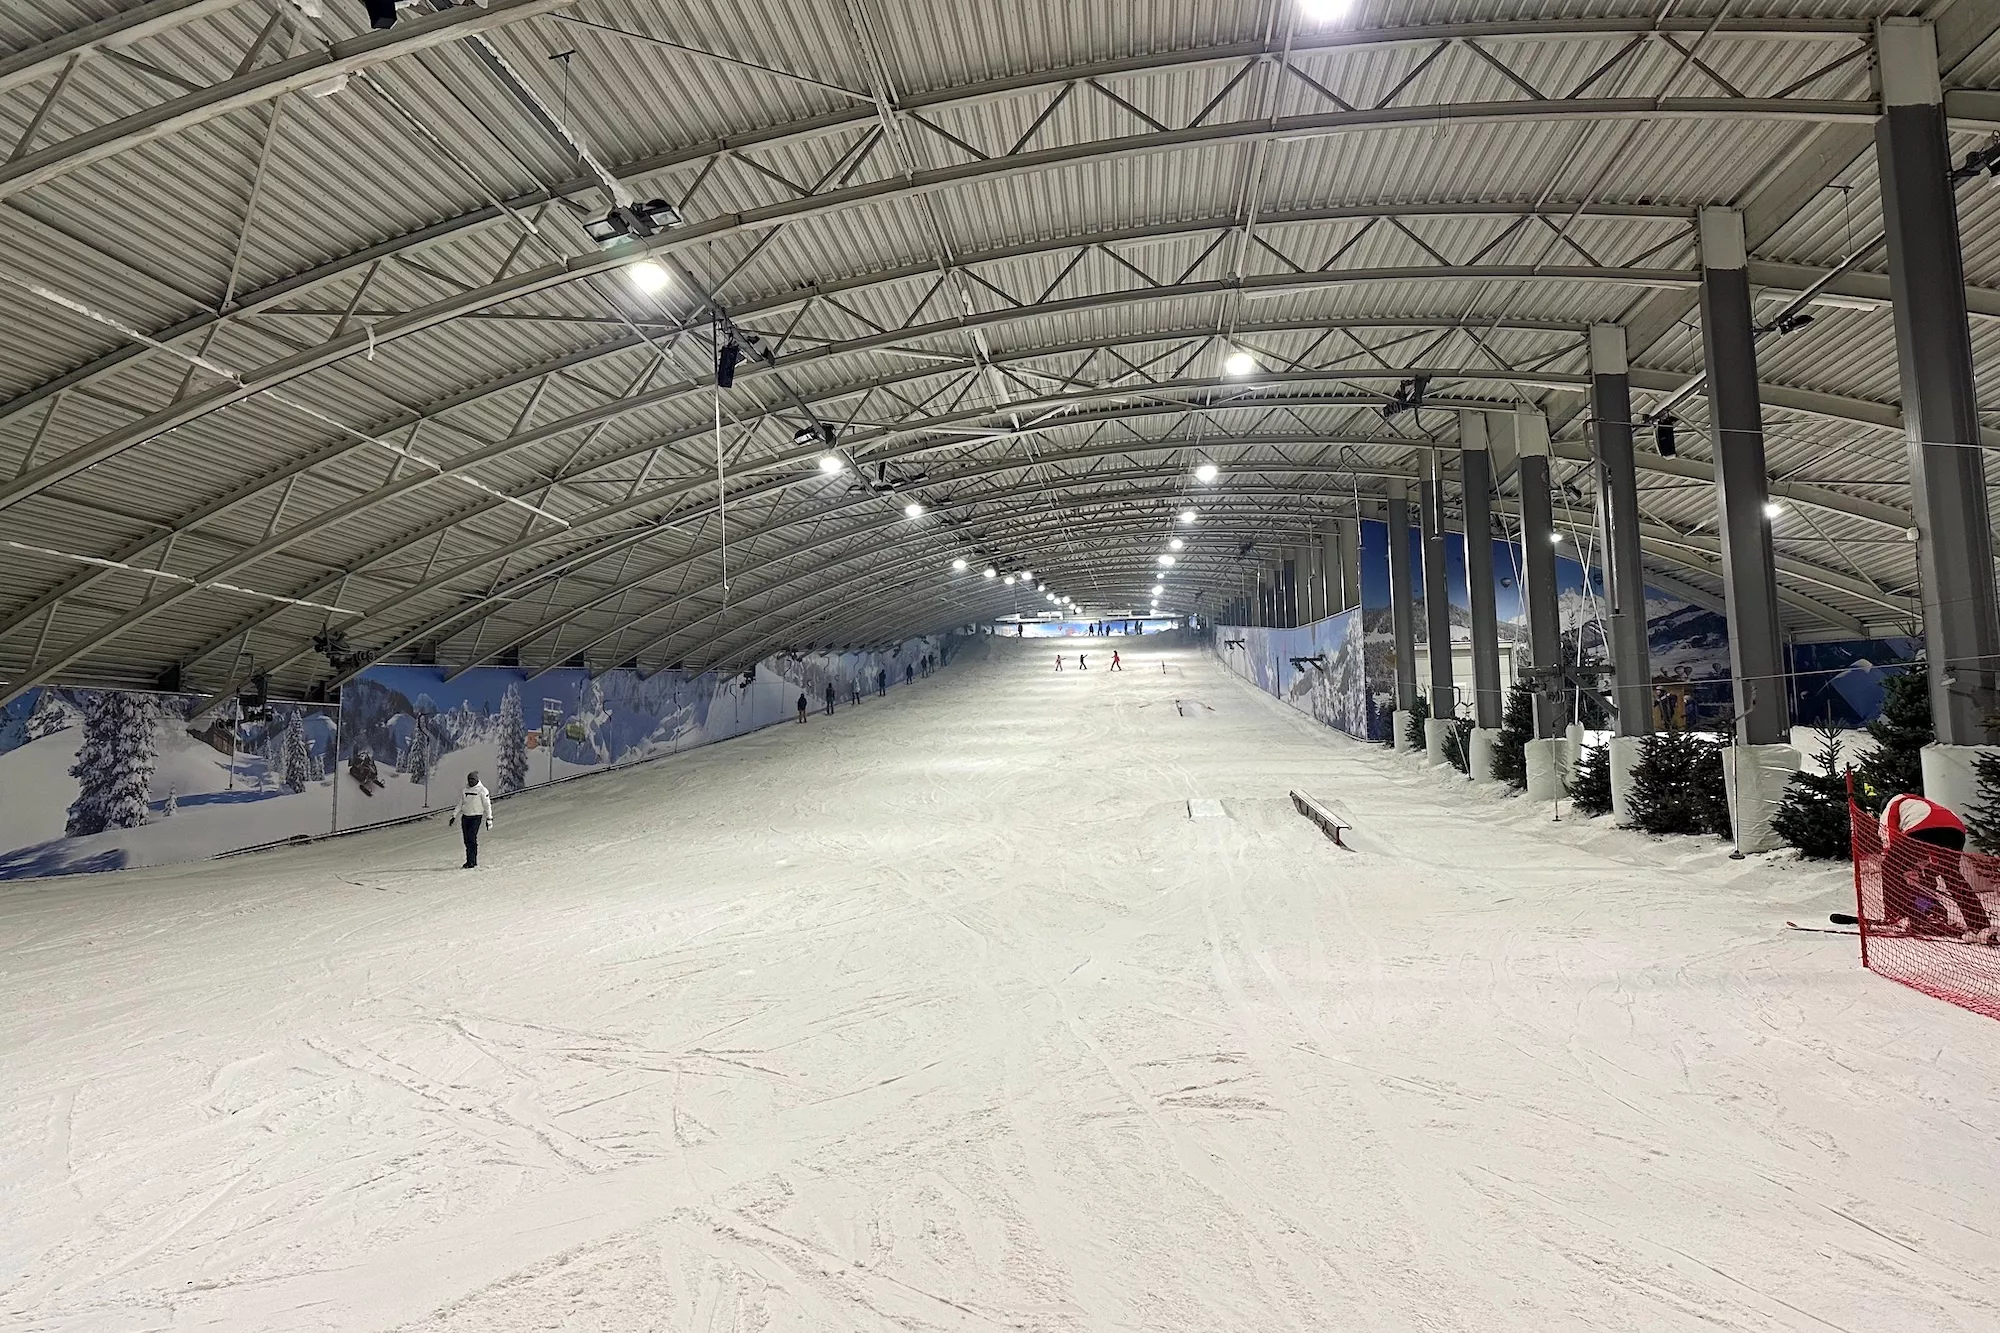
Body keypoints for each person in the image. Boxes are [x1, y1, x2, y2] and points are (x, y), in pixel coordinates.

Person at [1879, 794, 1995, 941]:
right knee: (1951, 876)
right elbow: (1930, 856)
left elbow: (1889, 837)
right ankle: (1979, 925)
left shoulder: (1893, 803)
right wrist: (1926, 869)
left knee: (1889, 868)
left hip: (1923, 829)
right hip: (1955, 830)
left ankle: (1895, 916)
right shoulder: (1917, 803)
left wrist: (1895, 862)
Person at [452, 770, 493, 869]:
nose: (470, 781)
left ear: (476, 780)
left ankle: (472, 861)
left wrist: (489, 819)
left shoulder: (482, 791)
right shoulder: (465, 790)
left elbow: (487, 805)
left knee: (471, 838)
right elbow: (460, 803)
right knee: (467, 840)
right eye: (469, 779)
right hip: (465, 817)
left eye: (472, 779)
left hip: (476, 817)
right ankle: (469, 860)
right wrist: (454, 815)